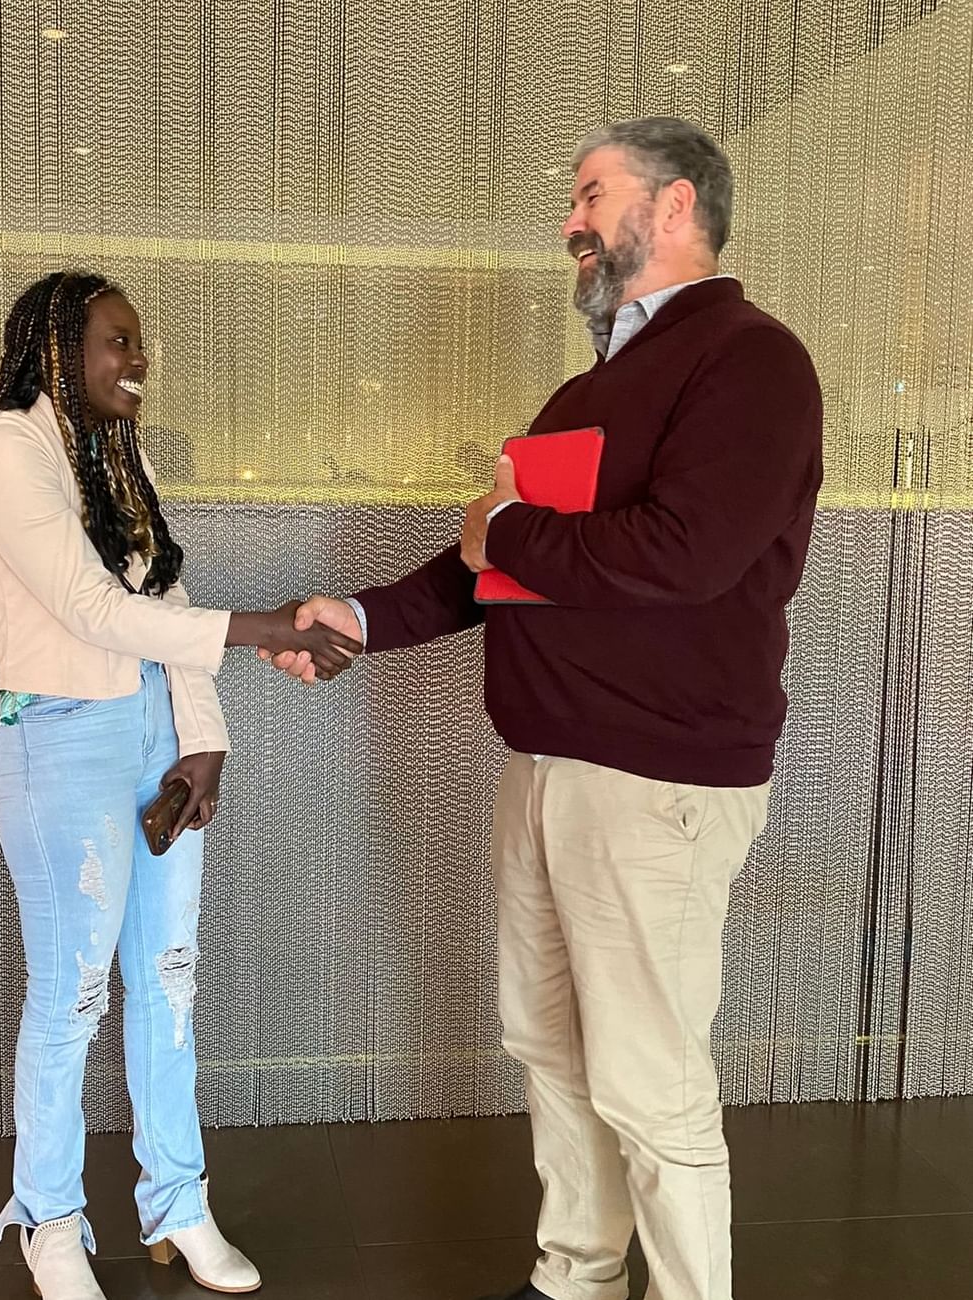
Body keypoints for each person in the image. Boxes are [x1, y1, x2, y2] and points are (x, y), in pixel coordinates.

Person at [268, 118, 823, 1300]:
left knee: (649, 1081)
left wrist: (506, 529)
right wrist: (357, 619)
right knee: (551, 1052)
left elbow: (687, 552)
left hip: (655, 782)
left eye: (589, 194)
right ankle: (573, 1277)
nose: (569, 222)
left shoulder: (752, 360)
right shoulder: (590, 386)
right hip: (546, 765)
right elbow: (499, 562)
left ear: (674, 205)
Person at [0, 271, 359, 1300]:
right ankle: (52, 1222)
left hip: (153, 728)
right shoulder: (4, 450)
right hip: (58, 737)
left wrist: (201, 739)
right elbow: (91, 611)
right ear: (56, 350)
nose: (138, 361)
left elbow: (165, 595)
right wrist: (269, 631)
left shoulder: (117, 455)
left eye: (139, 343)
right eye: (118, 341)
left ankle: (178, 1203)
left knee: (166, 976)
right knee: (72, 994)